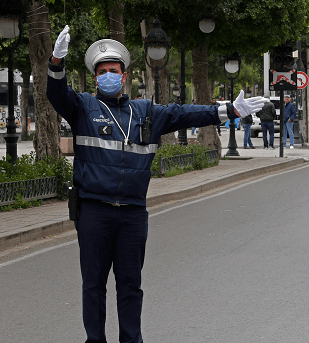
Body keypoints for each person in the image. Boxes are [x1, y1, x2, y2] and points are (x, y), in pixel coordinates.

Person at [46, 26, 263, 343]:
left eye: (113, 70)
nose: (108, 75)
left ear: (124, 76)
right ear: (96, 78)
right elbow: (56, 94)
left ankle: (131, 340)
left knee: (130, 285)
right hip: (94, 212)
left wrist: (229, 109)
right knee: (93, 284)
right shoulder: (81, 107)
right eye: (102, 71)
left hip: (133, 214)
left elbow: (185, 114)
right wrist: (56, 62)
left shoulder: (145, 111)